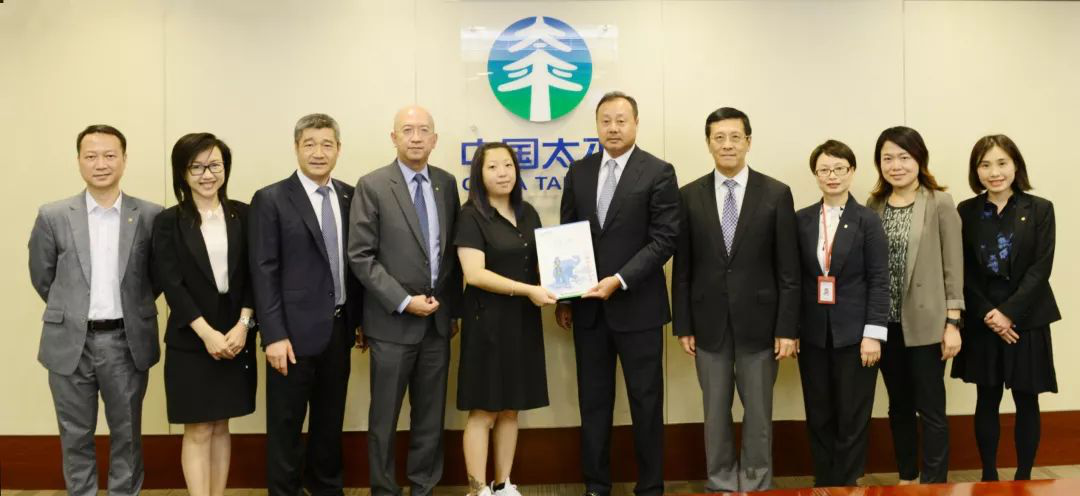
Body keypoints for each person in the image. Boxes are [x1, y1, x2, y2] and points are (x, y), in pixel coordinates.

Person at [28, 124, 163, 496]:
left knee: (127, 434)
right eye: (91, 156)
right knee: (75, 435)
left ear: (124, 159)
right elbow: (43, 276)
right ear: (78, 161)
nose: (100, 164)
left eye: (109, 155)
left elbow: (157, 278)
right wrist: (72, 311)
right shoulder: (53, 215)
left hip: (126, 341)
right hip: (69, 342)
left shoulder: (150, 215)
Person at [556, 91, 679, 496]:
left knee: (646, 402)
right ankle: (596, 485)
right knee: (593, 402)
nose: (613, 128)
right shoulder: (579, 171)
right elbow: (567, 236)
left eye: (621, 120)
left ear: (636, 123)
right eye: (605, 120)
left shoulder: (658, 172)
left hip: (639, 308)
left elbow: (664, 239)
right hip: (588, 311)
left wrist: (620, 279)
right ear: (597, 125)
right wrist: (566, 298)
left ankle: (651, 487)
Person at [671, 107, 799, 492]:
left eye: (735, 137)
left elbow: (789, 270)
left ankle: (757, 484)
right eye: (719, 138)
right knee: (714, 413)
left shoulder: (776, 193)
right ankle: (722, 483)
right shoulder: (688, 195)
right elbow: (683, 267)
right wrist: (683, 324)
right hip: (707, 324)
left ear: (748, 141)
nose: (727, 145)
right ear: (708, 143)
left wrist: (787, 328)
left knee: (758, 414)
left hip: (761, 325)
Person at [348, 105, 462, 496]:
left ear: (435, 139)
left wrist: (452, 310)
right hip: (391, 323)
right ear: (393, 137)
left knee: (430, 417)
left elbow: (451, 255)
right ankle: (384, 489)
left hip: (437, 324)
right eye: (407, 130)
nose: (416, 137)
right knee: (384, 418)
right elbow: (360, 256)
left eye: (423, 130)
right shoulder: (373, 185)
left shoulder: (446, 183)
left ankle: (423, 486)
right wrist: (402, 300)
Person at [249, 113, 364, 496]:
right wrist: (273, 335)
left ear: (338, 149)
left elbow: (357, 263)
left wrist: (359, 321)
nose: (318, 152)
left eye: (327, 144)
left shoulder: (350, 196)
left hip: (339, 330)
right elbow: (263, 271)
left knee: (330, 422)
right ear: (296, 147)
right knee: (286, 425)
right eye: (310, 144)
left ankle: (326, 488)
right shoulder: (271, 199)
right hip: (290, 337)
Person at [152, 133, 256, 496]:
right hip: (191, 337)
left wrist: (244, 325)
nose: (207, 174)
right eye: (196, 167)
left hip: (235, 333)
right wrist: (206, 333)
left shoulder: (245, 214)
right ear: (182, 173)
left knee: (222, 424)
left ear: (225, 168)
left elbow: (255, 275)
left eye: (214, 165)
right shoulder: (168, 221)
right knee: (197, 428)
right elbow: (171, 284)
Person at [951, 135, 1059, 481]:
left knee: (1027, 399)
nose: (994, 172)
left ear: (1016, 166)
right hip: (983, 317)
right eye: (985, 165)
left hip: (1027, 318)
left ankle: (1024, 476)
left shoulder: (1039, 209)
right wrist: (990, 315)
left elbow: (1041, 268)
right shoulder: (966, 211)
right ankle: (988, 475)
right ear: (976, 170)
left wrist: (1009, 313)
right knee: (987, 397)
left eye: (1001, 163)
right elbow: (962, 269)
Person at [455, 142, 556, 496]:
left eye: (508, 166)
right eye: (493, 167)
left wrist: (563, 281)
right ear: (479, 174)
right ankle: (477, 488)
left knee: (512, 408)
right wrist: (528, 290)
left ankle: (502, 484)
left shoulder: (528, 213)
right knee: (484, 409)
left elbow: (541, 264)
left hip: (523, 321)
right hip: (487, 322)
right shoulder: (470, 216)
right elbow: (474, 274)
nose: (503, 173)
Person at [866, 126, 963, 484]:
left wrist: (953, 323)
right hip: (885, 324)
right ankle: (907, 477)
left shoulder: (939, 202)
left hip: (927, 324)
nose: (896, 165)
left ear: (919, 159)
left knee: (931, 407)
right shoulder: (873, 206)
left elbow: (954, 265)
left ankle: (934, 482)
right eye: (887, 158)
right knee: (898, 406)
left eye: (904, 157)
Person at [794, 140, 889, 487]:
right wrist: (792, 329)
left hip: (856, 336)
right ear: (816, 174)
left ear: (852, 171)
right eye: (824, 169)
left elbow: (879, 279)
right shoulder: (801, 220)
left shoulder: (867, 220)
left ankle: (847, 484)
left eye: (839, 168)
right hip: (813, 335)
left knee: (852, 415)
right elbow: (793, 279)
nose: (831, 175)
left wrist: (873, 334)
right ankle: (824, 483)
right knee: (818, 413)